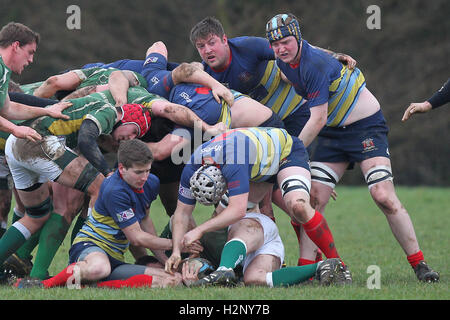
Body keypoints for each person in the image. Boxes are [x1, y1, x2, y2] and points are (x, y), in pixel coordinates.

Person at [265, 13, 439, 282]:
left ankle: (420, 264)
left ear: (297, 38)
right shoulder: (283, 59)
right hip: (334, 134)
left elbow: (318, 118)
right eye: (275, 45)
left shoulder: (313, 65)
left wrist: (291, 153)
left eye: (286, 42)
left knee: (382, 195)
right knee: (313, 200)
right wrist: (337, 55)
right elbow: (303, 60)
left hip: (364, 128)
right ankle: (308, 270)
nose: (281, 49)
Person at [0, 84, 225, 280]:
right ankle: (64, 264)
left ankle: (17, 262)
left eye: (135, 137)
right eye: (128, 133)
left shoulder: (104, 116)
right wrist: (108, 172)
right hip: (35, 141)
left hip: (21, 142)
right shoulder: (108, 113)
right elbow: (86, 138)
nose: (127, 141)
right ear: (124, 118)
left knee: (39, 214)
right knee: (99, 187)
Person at [189, 17, 354, 265]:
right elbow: (182, 71)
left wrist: (333, 55)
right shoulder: (207, 75)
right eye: (201, 47)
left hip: (294, 118)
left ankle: (314, 260)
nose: (207, 50)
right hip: (262, 133)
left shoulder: (247, 47)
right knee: (267, 199)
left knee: (295, 200)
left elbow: (297, 50)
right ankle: (275, 257)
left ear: (225, 39)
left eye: (211, 42)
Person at [164, 127, 352, 285]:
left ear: (225, 182)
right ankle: (317, 268)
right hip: (254, 162)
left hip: (284, 152)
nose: (222, 197)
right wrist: (176, 252)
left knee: (298, 206)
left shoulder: (233, 164)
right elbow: (181, 213)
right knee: (251, 274)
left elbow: (237, 211)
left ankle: (339, 264)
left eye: (222, 194)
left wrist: (199, 231)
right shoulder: (191, 168)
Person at [13, 139, 201, 289]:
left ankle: (94, 286)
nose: (144, 177)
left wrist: (168, 261)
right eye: (138, 172)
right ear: (121, 169)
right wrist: (177, 245)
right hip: (90, 248)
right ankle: (42, 285)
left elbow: (145, 221)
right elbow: (135, 238)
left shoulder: (151, 182)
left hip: (115, 258)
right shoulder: (114, 190)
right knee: (99, 268)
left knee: (172, 280)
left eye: (147, 170)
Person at [190, 210, 348, 287]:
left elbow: (239, 206)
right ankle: (325, 266)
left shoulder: (237, 166)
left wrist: (176, 248)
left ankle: (224, 270)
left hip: (250, 223)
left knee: (244, 229)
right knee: (254, 279)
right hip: (259, 241)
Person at [0, 22, 71, 142]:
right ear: (16, 46)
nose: (31, 60)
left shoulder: (4, 72)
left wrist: (48, 110)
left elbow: (9, 109)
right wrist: (14, 129)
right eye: (30, 52)